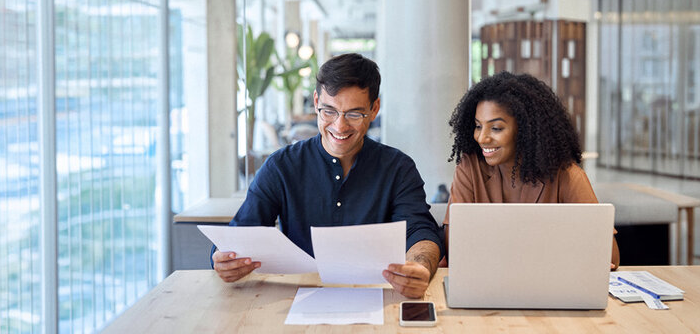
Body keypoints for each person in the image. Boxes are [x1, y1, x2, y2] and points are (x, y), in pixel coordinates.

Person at [212, 53, 443, 298]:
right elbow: (242, 233)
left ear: (374, 109)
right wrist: (224, 259)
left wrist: (420, 266)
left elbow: (419, 231)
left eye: (354, 114)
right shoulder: (281, 166)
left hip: (378, 297)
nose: (340, 126)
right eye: (329, 111)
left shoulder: (398, 168)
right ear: (315, 102)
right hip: (294, 298)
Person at [443, 71, 620, 269]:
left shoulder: (566, 175)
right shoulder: (470, 168)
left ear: (526, 129)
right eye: (477, 126)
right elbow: (455, 250)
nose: (482, 138)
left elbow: (609, 256)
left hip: (549, 289)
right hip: (484, 287)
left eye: (496, 128)